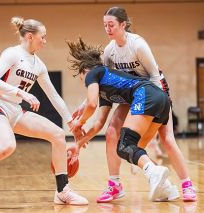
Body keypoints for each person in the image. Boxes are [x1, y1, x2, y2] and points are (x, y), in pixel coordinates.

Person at [0, 16, 88, 208]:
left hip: (15, 110)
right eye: (42, 37)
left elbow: (54, 96)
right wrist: (21, 93)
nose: (45, 41)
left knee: (58, 134)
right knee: (7, 145)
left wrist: (72, 123)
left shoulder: (39, 65)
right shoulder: (12, 54)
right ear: (30, 36)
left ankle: (62, 191)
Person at [72, 6, 196, 202]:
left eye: (111, 25)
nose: (107, 29)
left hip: (153, 88)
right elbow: (105, 82)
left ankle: (187, 184)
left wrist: (161, 107)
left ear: (123, 25)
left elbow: (154, 76)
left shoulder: (137, 44)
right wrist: (84, 103)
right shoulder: (109, 51)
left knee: (167, 139)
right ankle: (114, 184)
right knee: (113, 131)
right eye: (105, 25)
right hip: (132, 92)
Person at [66, 37, 176, 202]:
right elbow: (98, 124)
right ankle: (168, 188)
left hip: (146, 93)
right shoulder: (105, 87)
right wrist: (78, 145)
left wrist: (79, 122)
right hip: (161, 99)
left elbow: (90, 104)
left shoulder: (94, 73)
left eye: (81, 78)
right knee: (134, 149)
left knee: (124, 146)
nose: (84, 83)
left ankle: (153, 173)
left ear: (84, 71)